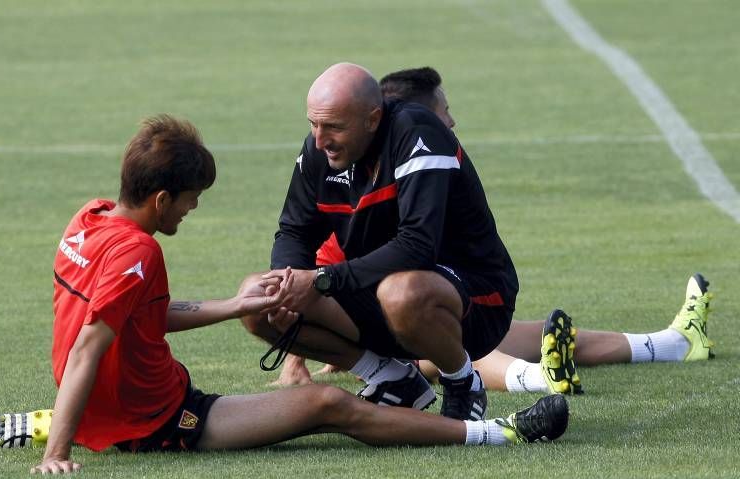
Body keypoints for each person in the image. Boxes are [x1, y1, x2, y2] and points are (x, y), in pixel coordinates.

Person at [0, 114, 569, 473]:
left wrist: (238, 307)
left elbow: (131, 319)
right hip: (165, 418)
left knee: (305, 370)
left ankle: (397, 380)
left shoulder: (88, 219)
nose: (194, 208)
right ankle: (499, 433)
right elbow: (92, 346)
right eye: (193, 198)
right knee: (329, 408)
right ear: (162, 200)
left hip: (122, 409)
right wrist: (59, 454)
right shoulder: (139, 251)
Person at [272, 67, 716, 397]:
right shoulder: (371, 168)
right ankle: (541, 377)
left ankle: (672, 343)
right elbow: (312, 275)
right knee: (428, 323)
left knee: (506, 331)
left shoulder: (427, 168)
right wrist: (296, 352)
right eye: (444, 113)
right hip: (408, 317)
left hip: (440, 305)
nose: (451, 125)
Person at [241, 62, 518, 422]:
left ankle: (463, 383)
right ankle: (391, 379)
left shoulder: (417, 133)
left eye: (333, 127)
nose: (320, 139)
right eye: (314, 124)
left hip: (476, 299)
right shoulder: (318, 151)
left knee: (402, 293)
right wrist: (287, 282)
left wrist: (323, 280)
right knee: (256, 296)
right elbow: (294, 231)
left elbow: (418, 246)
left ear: (372, 119)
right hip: (379, 291)